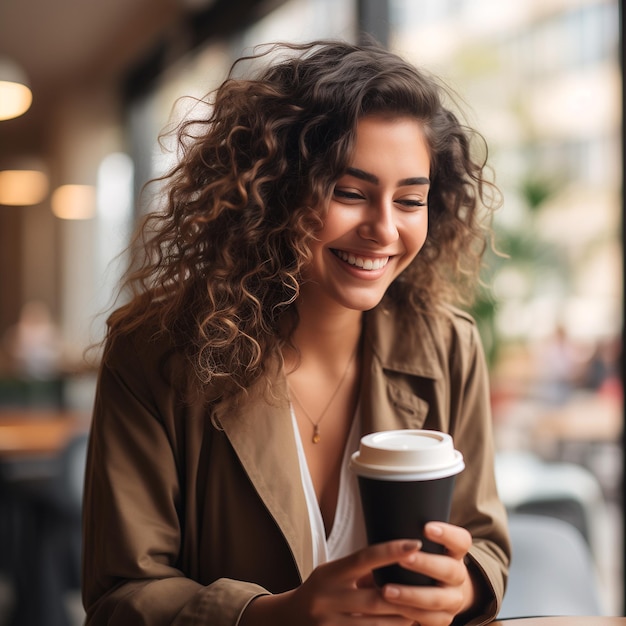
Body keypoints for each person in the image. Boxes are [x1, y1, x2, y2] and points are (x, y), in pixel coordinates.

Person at [82, 39, 510, 626]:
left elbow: (484, 540)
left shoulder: (448, 347)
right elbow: (120, 595)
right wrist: (273, 617)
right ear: (274, 190)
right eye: (350, 193)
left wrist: (461, 587)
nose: (384, 229)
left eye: (411, 200)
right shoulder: (154, 353)